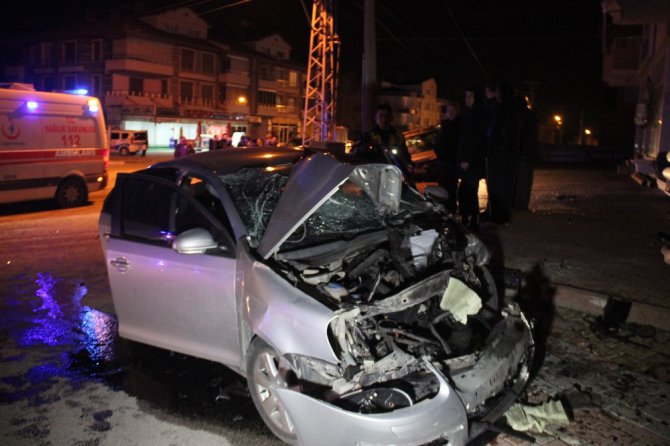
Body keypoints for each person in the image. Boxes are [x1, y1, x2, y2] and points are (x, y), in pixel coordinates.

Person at [352, 103, 413, 180]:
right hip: (373, 175)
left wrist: (409, 166)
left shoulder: (398, 137)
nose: (384, 119)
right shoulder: (367, 137)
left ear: (391, 118)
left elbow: (405, 155)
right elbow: (356, 153)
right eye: (381, 116)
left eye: (386, 116)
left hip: (392, 176)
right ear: (376, 118)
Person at [485, 80, 518, 224]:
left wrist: (494, 149)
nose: (496, 94)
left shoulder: (505, 110)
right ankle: (500, 214)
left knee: (498, 187)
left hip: (500, 156)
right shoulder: (509, 109)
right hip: (504, 155)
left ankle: (499, 215)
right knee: (501, 187)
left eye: (498, 92)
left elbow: (500, 133)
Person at [457, 86, 488, 230]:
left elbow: (474, 140)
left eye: (471, 96)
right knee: (466, 190)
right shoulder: (468, 114)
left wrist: (467, 159)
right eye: (466, 96)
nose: (467, 99)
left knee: (467, 190)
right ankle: (468, 217)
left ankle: (471, 217)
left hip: (472, 161)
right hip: (468, 160)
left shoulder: (477, 115)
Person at [434, 102, 462, 213]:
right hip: (442, 162)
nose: (450, 113)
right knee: (442, 189)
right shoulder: (445, 125)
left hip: (451, 162)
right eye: (448, 110)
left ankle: (451, 211)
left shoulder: (458, 126)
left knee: (450, 189)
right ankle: (444, 211)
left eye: (452, 110)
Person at [513, 95, 538, 210]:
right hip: (528, 155)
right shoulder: (530, 115)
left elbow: (519, 135)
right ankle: (522, 205)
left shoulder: (517, 115)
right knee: (525, 183)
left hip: (520, 154)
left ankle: (517, 204)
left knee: (518, 182)